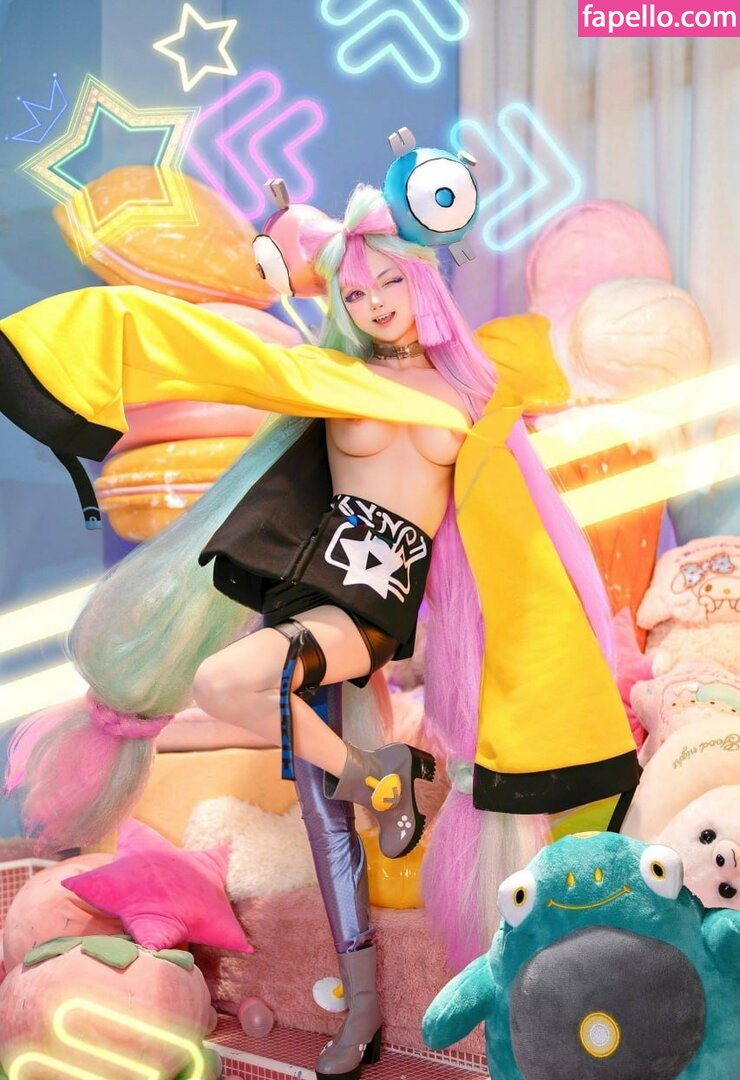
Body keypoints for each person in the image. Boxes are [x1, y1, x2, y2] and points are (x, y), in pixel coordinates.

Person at [0, 182, 638, 1080]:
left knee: (238, 694)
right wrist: (57, 357)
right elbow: (208, 352)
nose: (375, 304)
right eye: (357, 291)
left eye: (390, 283)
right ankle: (367, 929)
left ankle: (378, 782)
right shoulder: (335, 377)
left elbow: (512, 520)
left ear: (424, 281)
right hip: (313, 595)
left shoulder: (475, 393)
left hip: (373, 610)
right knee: (309, 792)